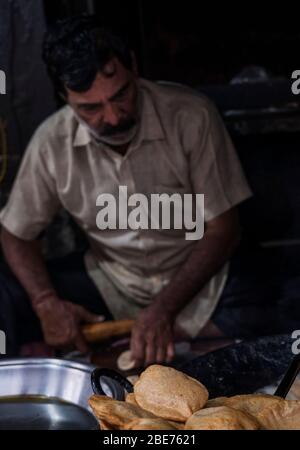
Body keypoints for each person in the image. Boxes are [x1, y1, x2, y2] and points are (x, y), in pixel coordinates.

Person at [0, 15, 252, 364]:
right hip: (112, 280)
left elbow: (224, 230)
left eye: (121, 95)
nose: (114, 117)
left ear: (133, 67)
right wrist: (46, 303)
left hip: (199, 278)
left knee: (284, 303)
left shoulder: (191, 115)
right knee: (9, 296)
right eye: (90, 108)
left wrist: (163, 309)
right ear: (65, 97)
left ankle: (165, 329)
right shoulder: (51, 142)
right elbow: (15, 234)